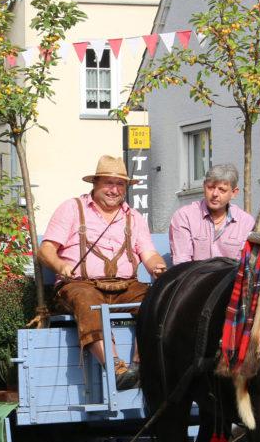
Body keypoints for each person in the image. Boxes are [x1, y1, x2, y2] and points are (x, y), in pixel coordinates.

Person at [39, 154, 167, 389]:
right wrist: (60, 266)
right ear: (95, 184)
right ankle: (116, 368)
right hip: (80, 285)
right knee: (88, 300)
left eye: (120, 184)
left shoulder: (134, 217)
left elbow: (149, 254)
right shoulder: (72, 208)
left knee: (156, 299)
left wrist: (158, 268)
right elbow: (46, 250)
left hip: (126, 286)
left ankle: (140, 366)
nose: (114, 189)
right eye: (108, 183)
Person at [168, 164, 256, 264]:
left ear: (234, 193)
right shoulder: (184, 216)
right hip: (194, 278)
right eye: (210, 187)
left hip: (232, 279)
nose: (215, 194)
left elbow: (250, 264)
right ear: (204, 186)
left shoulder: (246, 222)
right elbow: (182, 264)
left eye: (222, 190)